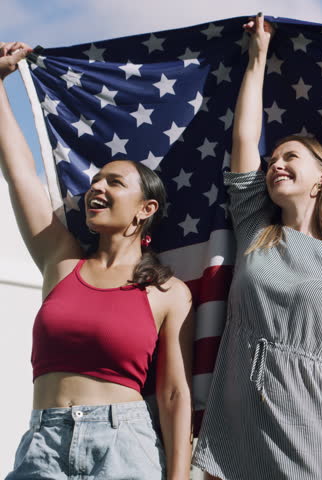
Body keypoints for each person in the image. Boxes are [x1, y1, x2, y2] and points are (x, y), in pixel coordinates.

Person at [191, 14, 322, 480]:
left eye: (290, 157)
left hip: (310, 425)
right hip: (235, 426)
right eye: (272, 160)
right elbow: (243, 139)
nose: (276, 164)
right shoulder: (257, 230)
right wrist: (257, 59)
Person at [0, 43, 194, 479]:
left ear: (145, 209)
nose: (96, 187)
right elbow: (19, 174)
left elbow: (174, 395)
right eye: (95, 180)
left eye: (115, 182)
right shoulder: (61, 260)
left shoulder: (168, 293)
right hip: (43, 445)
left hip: (123, 447)